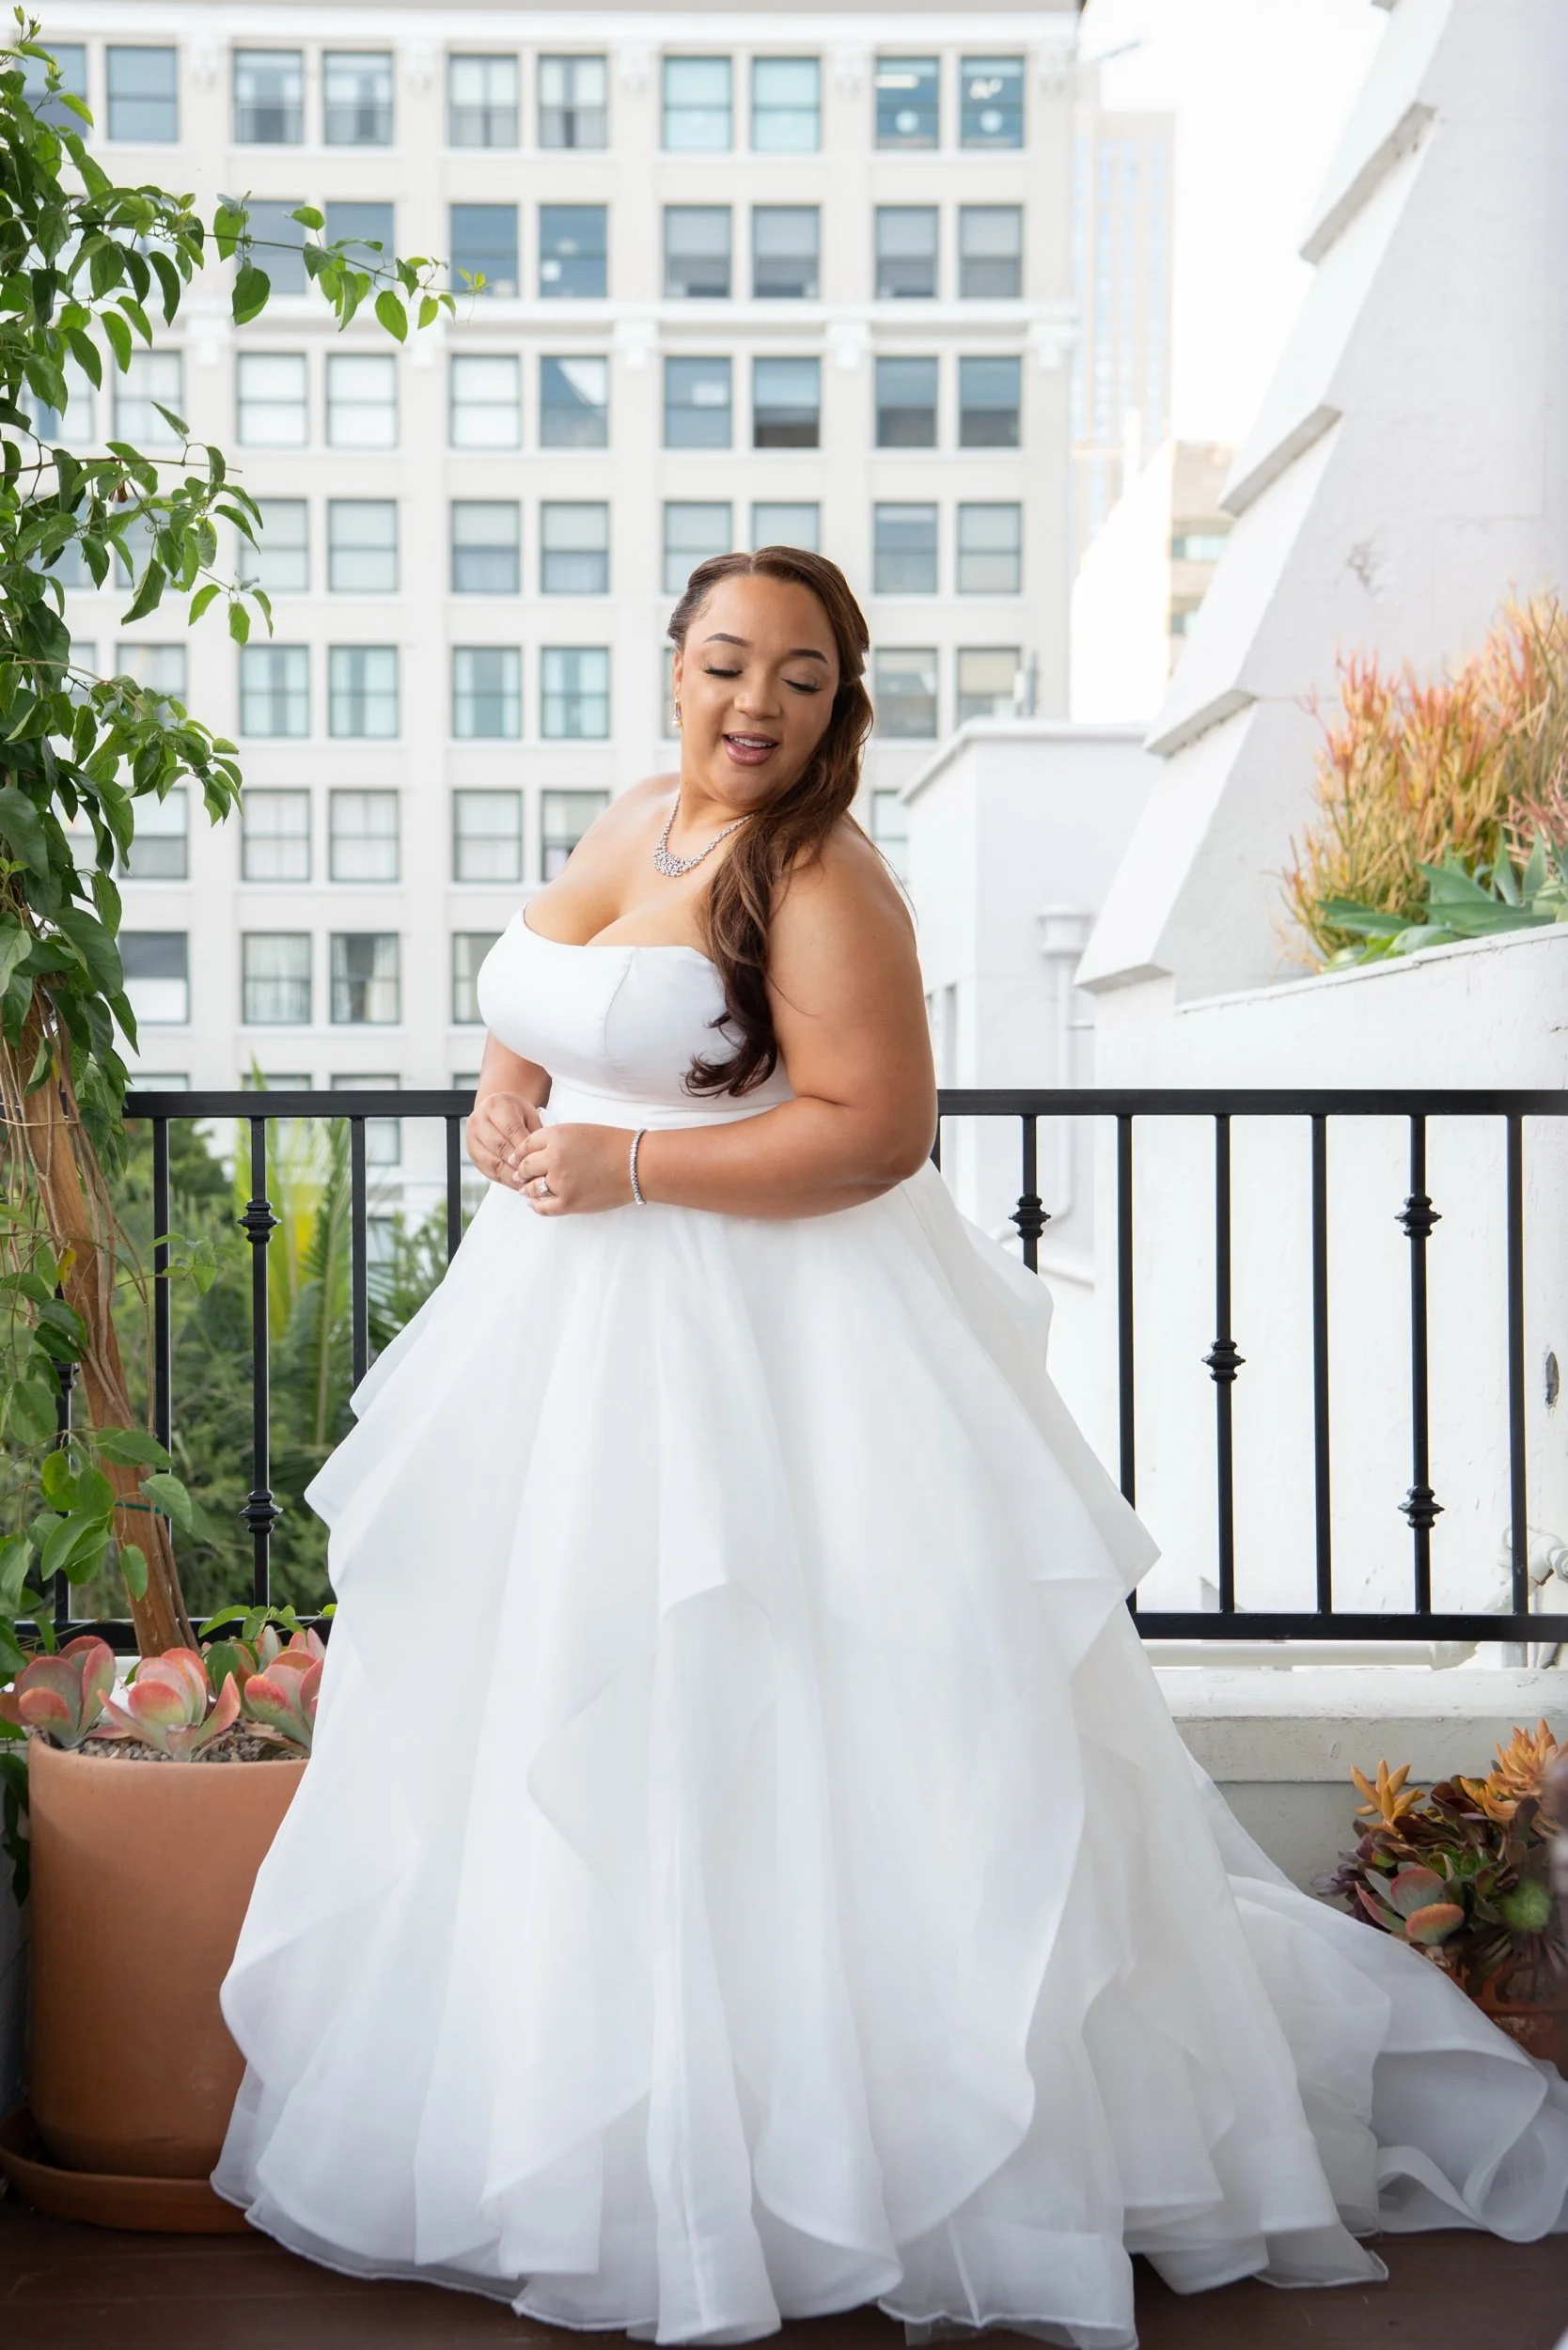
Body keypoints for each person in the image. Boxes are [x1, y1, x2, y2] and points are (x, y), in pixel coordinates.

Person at [213, 551, 1568, 2348]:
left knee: (772, 1728)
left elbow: (872, 1134)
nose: (752, 704)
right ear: (674, 669)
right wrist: (510, 1090)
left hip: (750, 1346)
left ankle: (824, 2161)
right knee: (562, 1699)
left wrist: (622, 1165)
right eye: (722, 665)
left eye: (797, 675)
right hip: (565, 1345)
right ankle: (576, 2126)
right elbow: (544, 975)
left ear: (842, 697)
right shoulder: (640, 819)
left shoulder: (826, 878)